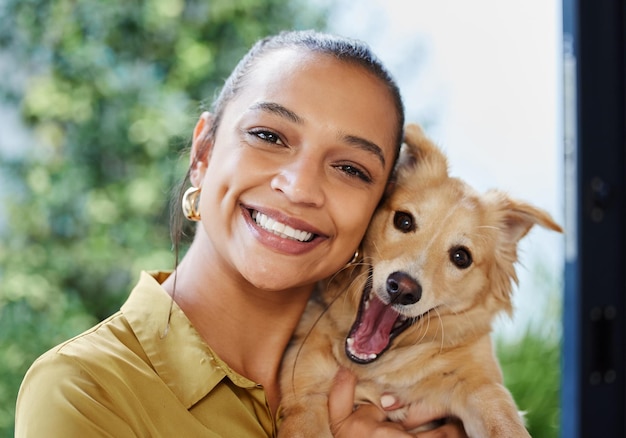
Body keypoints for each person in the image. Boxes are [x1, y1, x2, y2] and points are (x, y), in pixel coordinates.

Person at [15, 30, 466, 437]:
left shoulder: (408, 402)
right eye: (269, 136)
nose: (300, 187)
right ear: (204, 152)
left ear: (376, 213)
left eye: (350, 168)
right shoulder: (82, 390)